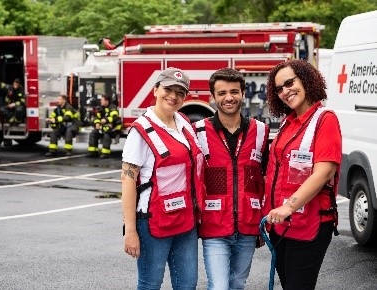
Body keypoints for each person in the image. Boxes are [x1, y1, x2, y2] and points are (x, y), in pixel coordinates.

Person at [121, 67, 205, 290]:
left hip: (186, 221)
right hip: (153, 222)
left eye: (180, 92)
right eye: (168, 89)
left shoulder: (184, 122)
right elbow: (128, 180)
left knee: (187, 285)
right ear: (156, 90)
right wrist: (130, 230)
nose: (174, 96)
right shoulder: (141, 130)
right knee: (150, 285)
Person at [262, 59, 342, 290]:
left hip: (309, 223)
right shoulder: (288, 122)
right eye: (279, 88)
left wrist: (289, 206)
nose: (285, 91)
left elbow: (324, 171)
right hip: (280, 224)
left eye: (290, 83)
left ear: (306, 80)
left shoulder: (325, 119)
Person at [194, 68, 269, 290]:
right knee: (219, 287)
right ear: (213, 97)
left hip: (248, 227)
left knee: (237, 284)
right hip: (214, 226)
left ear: (243, 93)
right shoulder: (197, 131)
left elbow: (264, 179)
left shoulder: (261, 131)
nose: (229, 97)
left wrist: (262, 224)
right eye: (222, 92)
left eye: (234, 91)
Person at [86, 95, 122, 159]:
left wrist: (106, 120)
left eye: (102, 100)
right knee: (93, 133)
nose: (101, 101)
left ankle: (105, 153)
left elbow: (115, 118)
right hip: (104, 128)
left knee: (106, 135)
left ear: (107, 101)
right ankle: (93, 152)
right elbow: (97, 117)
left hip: (114, 128)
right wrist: (97, 123)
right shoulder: (101, 108)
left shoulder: (112, 107)